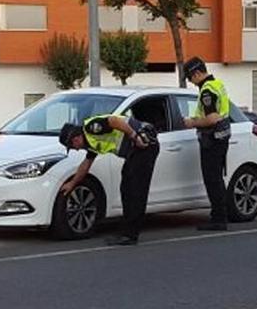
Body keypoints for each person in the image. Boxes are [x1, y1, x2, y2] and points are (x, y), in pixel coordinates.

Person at [59, 115, 159, 246]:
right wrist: (72, 183)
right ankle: (127, 232)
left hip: (143, 145)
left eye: (73, 146)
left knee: (135, 191)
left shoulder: (91, 128)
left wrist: (134, 136)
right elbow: (86, 164)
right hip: (134, 151)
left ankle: (130, 235)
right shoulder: (90, 142)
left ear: (76, 138)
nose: (76, 149)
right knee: (126, 189)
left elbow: (113, 120)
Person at [182, 56, 232, 231]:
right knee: (217, 178)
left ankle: (218, 219)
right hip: (222, 137)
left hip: (212, 140)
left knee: (212, 180)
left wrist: (192, 122)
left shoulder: (207, 91)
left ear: (197, 73)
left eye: (190, 78)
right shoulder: (217, 84)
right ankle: (221, 216)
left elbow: (211, 119)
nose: (190, 82)